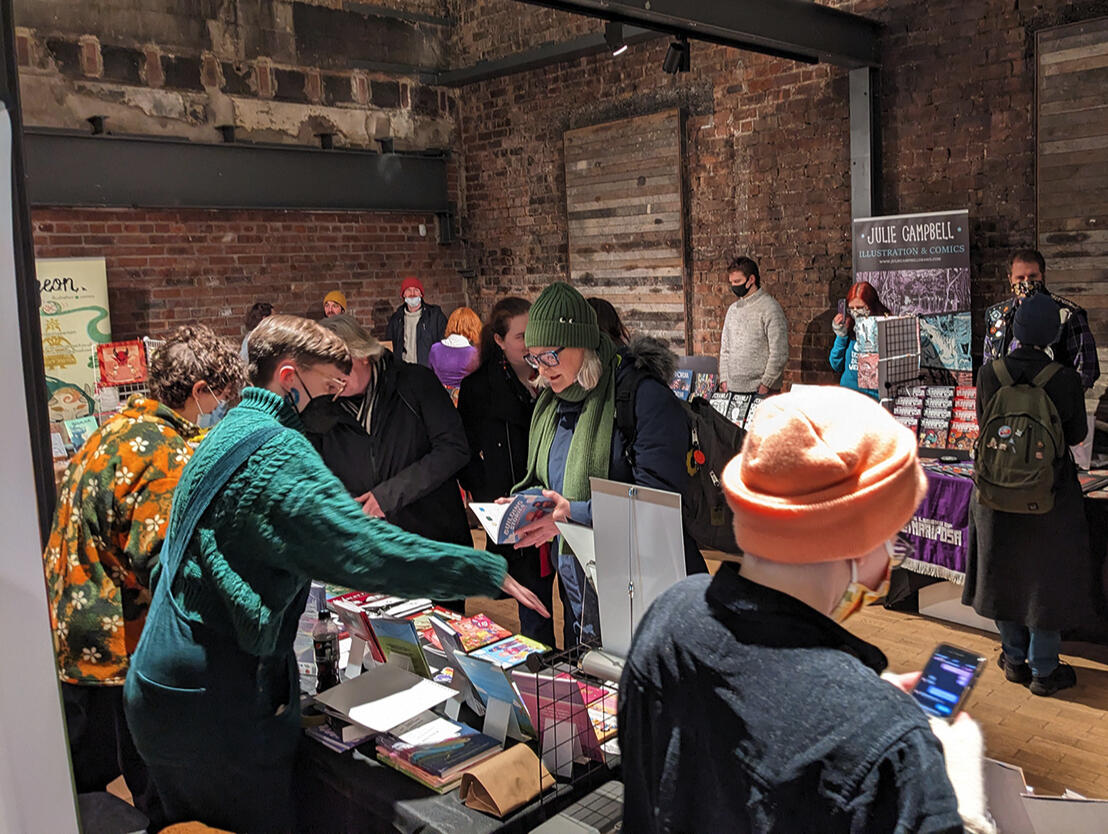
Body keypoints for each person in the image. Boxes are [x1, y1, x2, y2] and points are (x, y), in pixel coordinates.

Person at [123, 315, 547, 832]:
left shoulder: (229, 428)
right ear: (287, 377)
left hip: (166, 683)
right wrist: (478, 569)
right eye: (326, 388)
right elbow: (362, 550)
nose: (333, 402)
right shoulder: (275, 450)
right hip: (210, 697)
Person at [619, 387, 994, 834]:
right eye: (892, 538)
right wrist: (957, 800)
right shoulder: (893, 745)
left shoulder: (670, 618)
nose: (889, 564)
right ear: (857, 539)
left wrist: (860, 692)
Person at [43, 324, 245, 829]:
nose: (223, 412)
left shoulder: (116, 429)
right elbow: (162, 564)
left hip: (76, 628)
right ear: (199, 394)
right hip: (115, 642)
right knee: (156, 781)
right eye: (223, 399)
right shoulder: (163, 454)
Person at [511, 282, 705, 648]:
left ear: (582, 342)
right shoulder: (551, 407)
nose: (542, 370)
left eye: (550, 355)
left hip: (645, 592)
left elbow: (658, 504)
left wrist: (575, 514)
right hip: (582, 599)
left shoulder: (642, 397)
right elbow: (553, 486)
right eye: (534, 358)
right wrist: (532, 507)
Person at [300, 314, 475, 613]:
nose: (332, 382)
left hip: (432, 544)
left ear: (363, 356)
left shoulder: (416, 383)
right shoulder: (319, 410)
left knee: (441, 642)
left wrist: (387, 496)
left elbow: (454, 448)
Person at [964, 293, 1094, 696]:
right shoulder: (1065, 377)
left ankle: (1014, 658)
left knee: (1004, 572)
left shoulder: (989, 374)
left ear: (1016, 329)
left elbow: (987, 424)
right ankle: (1045, 668)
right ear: (1053, 333)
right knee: (1045, 579)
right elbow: (1076, 436)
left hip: (995, 493)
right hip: (1049, 498)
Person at [457, 297, 554, 644]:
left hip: (554, 498)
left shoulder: (551, 376)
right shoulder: (478, 388)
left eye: (534, 335)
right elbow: (464, 450)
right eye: (520, 337)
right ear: (498, 340)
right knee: (533, 603)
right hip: (509, 504)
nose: (529, 345)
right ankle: (543, 667)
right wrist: (484, 496)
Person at [984, 248, 1099, 390]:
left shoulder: (1068, 315)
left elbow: (1084, 372)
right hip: (1007, 407)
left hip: (1052, 406)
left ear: (1043, 277)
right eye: (1020, 278)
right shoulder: (997, 316)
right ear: (1010, 279)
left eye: (1032, 277)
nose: (1027, 283)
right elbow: (989, 368)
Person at [718, 255, 789, 394]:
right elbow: (725, 349)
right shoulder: (732, 310)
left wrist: (766, 384)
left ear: (751, 279)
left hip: (761, 390)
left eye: (737, 281)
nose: (734, 286)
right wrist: (724, 380)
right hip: (733, 390)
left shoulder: (770, 308)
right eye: (731, 282)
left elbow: (779, 352)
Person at [830, 281, 889, 400]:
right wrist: (841, 336)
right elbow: (836, 364)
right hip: (847, 395)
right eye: (852, 308)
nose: (855, 312)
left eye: (860, 307)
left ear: (870, 305)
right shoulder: (850, 326)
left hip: (871, 398)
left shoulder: (884, 326)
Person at [385, 276, 447, 366]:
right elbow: (389, 347)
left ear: (421, 294)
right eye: (408, 290)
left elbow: (445, 343)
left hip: (428, 371)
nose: (412, 293)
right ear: (403, 295)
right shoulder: (396, 319)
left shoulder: (435, 316)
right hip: (404, 371)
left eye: (416, 290)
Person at [429, 306, 482, 394]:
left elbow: (430, 375)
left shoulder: (435, 349)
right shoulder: (474, 354)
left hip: (440, 399)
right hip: (465, 400)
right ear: (473, 328)